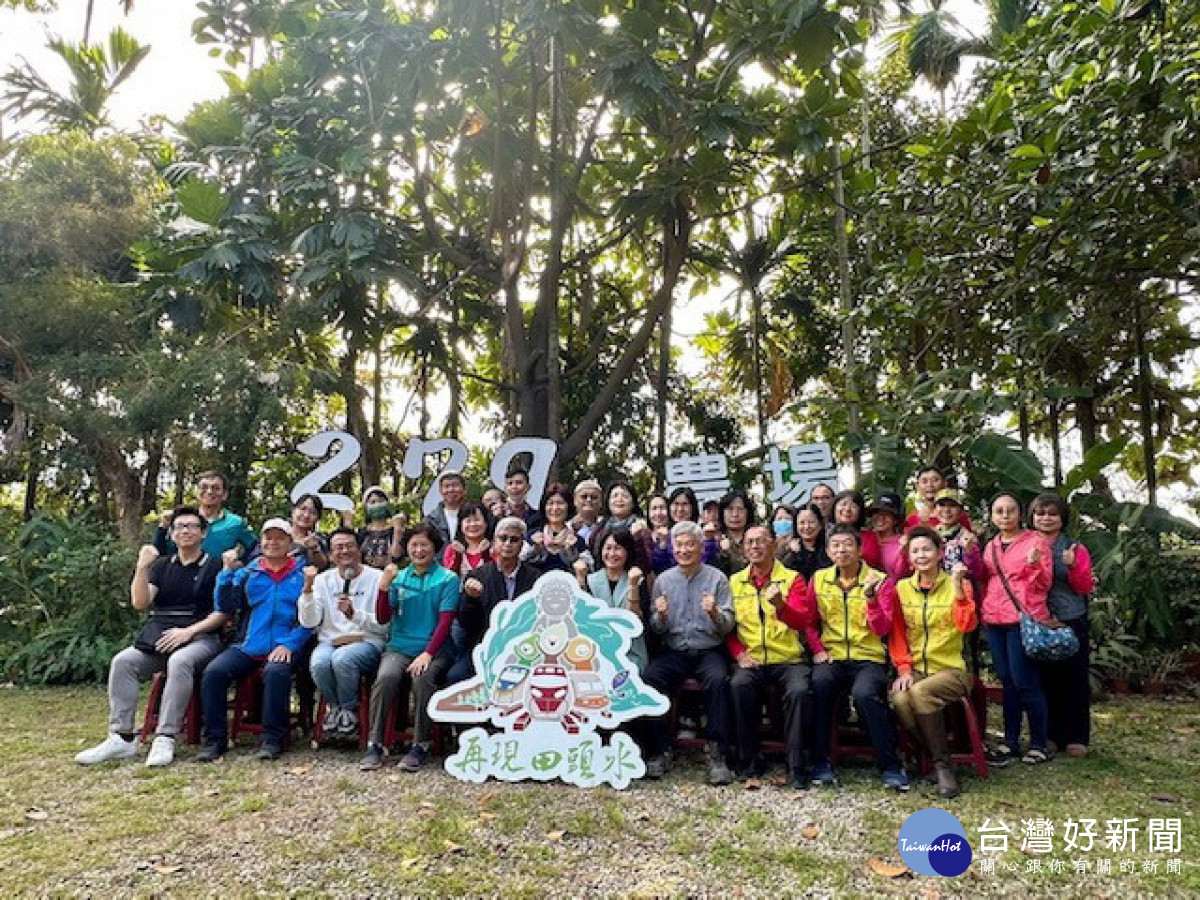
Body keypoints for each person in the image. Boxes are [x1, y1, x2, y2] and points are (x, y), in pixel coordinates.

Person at [76, 506, 226, 767]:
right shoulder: (161, 566)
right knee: (124, 662)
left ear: (203, 533)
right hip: (161, 634)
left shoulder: (214, 566)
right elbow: (140, 602)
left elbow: (223, 613)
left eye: (192, 526)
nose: (185, 531)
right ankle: (121, 737)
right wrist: (142, 567)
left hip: (203, 636)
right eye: (179, 526)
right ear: (171, 534)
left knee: (180, 662)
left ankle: (165, 736)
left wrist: (189, 632)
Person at [803, 524, 907, 791]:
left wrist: (871, 599)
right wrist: (818, 650)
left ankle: (891, 765)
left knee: (865, 694)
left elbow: (883, 628)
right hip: (833, 655)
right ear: (828, 551)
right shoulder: (819, 579)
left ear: (860, 549)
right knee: (820, 685)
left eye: (848, 544)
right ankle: (820, 762)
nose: (842, 550)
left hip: (868, 656)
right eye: (835, 545)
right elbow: (809, 622)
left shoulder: (880, 580)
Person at [198, 518, 312, 761]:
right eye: (268, 538)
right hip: (249, 644)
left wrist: (290, 644)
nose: (273, 543)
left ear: (290, 543)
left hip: (286, 643)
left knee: (276, 672)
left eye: (279, 538)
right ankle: (214, 740)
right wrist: (225, 575)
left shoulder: (302, 574)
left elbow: (310, 620)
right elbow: (226, 606)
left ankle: (273, 739)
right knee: (214, 672)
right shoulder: (248, 573)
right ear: (260, 543)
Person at [885, 528, 977, 798]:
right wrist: (903, 668)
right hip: (915, 669)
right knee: (900, 699)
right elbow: (898, 634)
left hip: (952, 669)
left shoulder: (957, 583)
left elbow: (966, 624)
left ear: (939, 553)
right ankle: (927, 753)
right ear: (908, 557)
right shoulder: (902, 588)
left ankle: (941, 765)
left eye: (927, 549)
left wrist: (959, 589)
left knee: (920, 693)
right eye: (915, 551)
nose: (921, 555)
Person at [642, 521, 736, 785]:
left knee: (718, 680)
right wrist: (660, 616)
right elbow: (656, 628)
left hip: (708, 649)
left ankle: (717, 752)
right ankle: (660, 749)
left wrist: (715, 612)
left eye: (689, 545)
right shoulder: (663, 580)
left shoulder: (717, 578)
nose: (684, 550)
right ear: (673, 549)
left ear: (701, 547)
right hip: (675, 650)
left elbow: (729, 624)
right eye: (679, 545)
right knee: (651, 678)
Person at [360, 524, 459, 772]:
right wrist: (383, 589)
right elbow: (383, 618)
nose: (418, 550)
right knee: (385, 678)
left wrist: (428, 654)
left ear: (435, 548)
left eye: (424, 545)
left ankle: (420, 745)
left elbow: (445, 623)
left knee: (422, 679)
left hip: (434, 649)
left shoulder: (447, 579)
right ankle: (375, 743)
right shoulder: (399, 577)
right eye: (413, 545)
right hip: (399, 647)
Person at [727, 524, 812, 787]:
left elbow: (803, 621)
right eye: (750, 542)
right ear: (743, 550)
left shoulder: (792, 579)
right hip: (752, 657)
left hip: (788, 658)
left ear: (774, 546)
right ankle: (750, 759)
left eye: (761, 541)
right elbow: (727, 628)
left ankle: (797, 764)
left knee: (799, 691)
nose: (755, 547)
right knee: (739, 685)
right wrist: (739, 653)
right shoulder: (734, 581)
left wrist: (781, 607)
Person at [980, 493, 1054, 766]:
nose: (1005, 515)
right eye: (999, 511)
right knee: (1007, 682)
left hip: (1023, 617)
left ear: (1020, 514)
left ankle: (1038, 743)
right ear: (992, 516)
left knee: (1026, 681)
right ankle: (1010, 740)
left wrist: (1035, 564)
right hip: (994, 617)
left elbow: (1044, 583)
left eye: (1010, 510)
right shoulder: (992, 546)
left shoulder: (1035, 542)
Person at [298, 529, 386, 737]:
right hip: (331, 641)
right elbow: (309, 622)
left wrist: (354, 615)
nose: (344, 551)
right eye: (338, 547)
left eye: (349, 546)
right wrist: (308, 590)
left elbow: (384, 625)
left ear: (359, 550)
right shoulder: (322, 580)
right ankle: (337, 708)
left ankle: (349, 709)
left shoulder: (377, 578)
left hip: (367, 640)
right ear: (331, 554)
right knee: (319, 662)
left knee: (342, 659)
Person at [1029, 492, 1095, 758]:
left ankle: (1077, 736)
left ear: (1062, 518)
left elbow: (1084, 585)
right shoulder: (1025, 544)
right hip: (1039, 618)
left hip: (1070, 617)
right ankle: (1050, 734)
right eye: (1040, 513)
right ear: (1032, 517)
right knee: (1045, 678)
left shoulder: (1074, 548)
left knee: (1074, 677)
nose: (1046, 518)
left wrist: (1072, 567)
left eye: (1052, 514)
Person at [448, 516, 540, 685]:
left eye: (514, 539)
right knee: (456, 677)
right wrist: (470, 598)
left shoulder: (535, 578)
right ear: (494, 542)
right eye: (503, 538)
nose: (508, 543)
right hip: (485, 647)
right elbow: (466, 623)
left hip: (525, 650)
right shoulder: (478, 575)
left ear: (522, 544)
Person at [582, 528, 651, 671]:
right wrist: (580, 581)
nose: (612, 554)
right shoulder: (590, 580)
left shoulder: (638, 580)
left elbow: (636, 623)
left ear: (628, 552)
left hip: (631, 652)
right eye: (608, 548)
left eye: (618, 548)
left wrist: (633, 586)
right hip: (596, 651)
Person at [153, 471, 257, 560]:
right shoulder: (182, 520)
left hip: (219, 581)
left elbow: (256, 549)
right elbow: (160, 553)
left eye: (216, 488)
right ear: (197, 492)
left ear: (225, 494)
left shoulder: (235, 523)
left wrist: (241, 565)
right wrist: (163, 528)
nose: (209, 492)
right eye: (204, 487)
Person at [523, 482, 589, 575]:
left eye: (560, 503)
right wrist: (534, 550)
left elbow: (590, 569)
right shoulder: (532, 536)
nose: (555, 508)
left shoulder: (578, 541)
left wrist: (573, 555)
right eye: (550, 503)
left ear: (568, 506)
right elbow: (518, 563)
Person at [650, 486, 719, 573]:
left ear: (693, 507)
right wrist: (662, 545)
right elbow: (659, 569)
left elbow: (708, 566)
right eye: (676, 504)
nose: (680, 509)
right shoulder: (664, 535)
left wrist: (709, 541)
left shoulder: (704, 534)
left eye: (685, 504)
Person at [599, 481, 653, 572]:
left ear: (633, 503)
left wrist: (637, 538)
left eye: (625, 496)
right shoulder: (600, 528)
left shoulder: (642, 528)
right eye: (615, 496)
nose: (619, 499)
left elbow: (648, 563)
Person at [932, 489, 983, 583]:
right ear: (934, 510)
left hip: (960, 589)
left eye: (952, 505)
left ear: (961, 511)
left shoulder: (968, 537)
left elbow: (977, 573)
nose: (946, 510)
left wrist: (969, 551)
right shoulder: (929, 536)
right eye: (942, 505)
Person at [906, 467, 972, 532]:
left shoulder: (956, 515)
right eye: (924, 481)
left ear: (945, 484)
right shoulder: (911, 520)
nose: (930, 485)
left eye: (935, 480)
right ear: (917, 486)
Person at [778, 503, 831, 580]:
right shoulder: (786, 550)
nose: (806, 527)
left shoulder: (829, 548)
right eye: (802, 523)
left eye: (811, 522)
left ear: (820, 524)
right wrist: (792, 554)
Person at [356, 486, 404, 570]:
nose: (377, 505)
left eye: (381, 501)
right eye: (373, 502)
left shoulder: (394, 531)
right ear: (366, 507)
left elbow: (396, 557)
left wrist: (398, 531)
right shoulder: (361, 533)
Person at [832, 489, 882, 570]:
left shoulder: (870, 537)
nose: (847, 509)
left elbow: (873, 562)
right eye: (843, 504)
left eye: (853, 506)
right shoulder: (825, 536)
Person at [442, 502, 495, 577]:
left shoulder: (495, 547)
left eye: (477, 520)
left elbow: (496, 574)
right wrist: (457, 556)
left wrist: (486, 554)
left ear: (486, 523)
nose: (473, 524)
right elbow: (449, 578)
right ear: (460, 525)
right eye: (468, 521)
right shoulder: (452, 549)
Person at [714, 489, 758, 575]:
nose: (735, 514)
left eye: (740, 509)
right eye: (730, 509)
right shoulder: (715, 540)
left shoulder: (756, 539)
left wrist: (729, 552)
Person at [867, 493, 910, 577]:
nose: (881, 518)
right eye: (877, 513)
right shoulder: (864, 539)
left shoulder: (903, 542)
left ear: (895, 520)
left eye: (886, 514)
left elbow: (902, 574)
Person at [423, 471, 468, 546]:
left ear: (464, 489)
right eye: (446, 486)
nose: (451, 490)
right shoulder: (431, 520)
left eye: (455, 485)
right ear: (440, 491)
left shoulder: (474, 515)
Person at [287, 493, 330, 570]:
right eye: (303, 509)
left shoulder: (321, 540)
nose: (306, 515)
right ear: (293, 511)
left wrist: (315, 549)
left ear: (317, 518)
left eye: (313, 512)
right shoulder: (279, 535)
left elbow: (323, 566)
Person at [571, 479, 605, 544]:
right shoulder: (566, 528)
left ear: (600, 502)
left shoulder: (607, 527)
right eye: (584, 497)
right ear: (575, 501)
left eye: (594, 497)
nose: (589, 500)